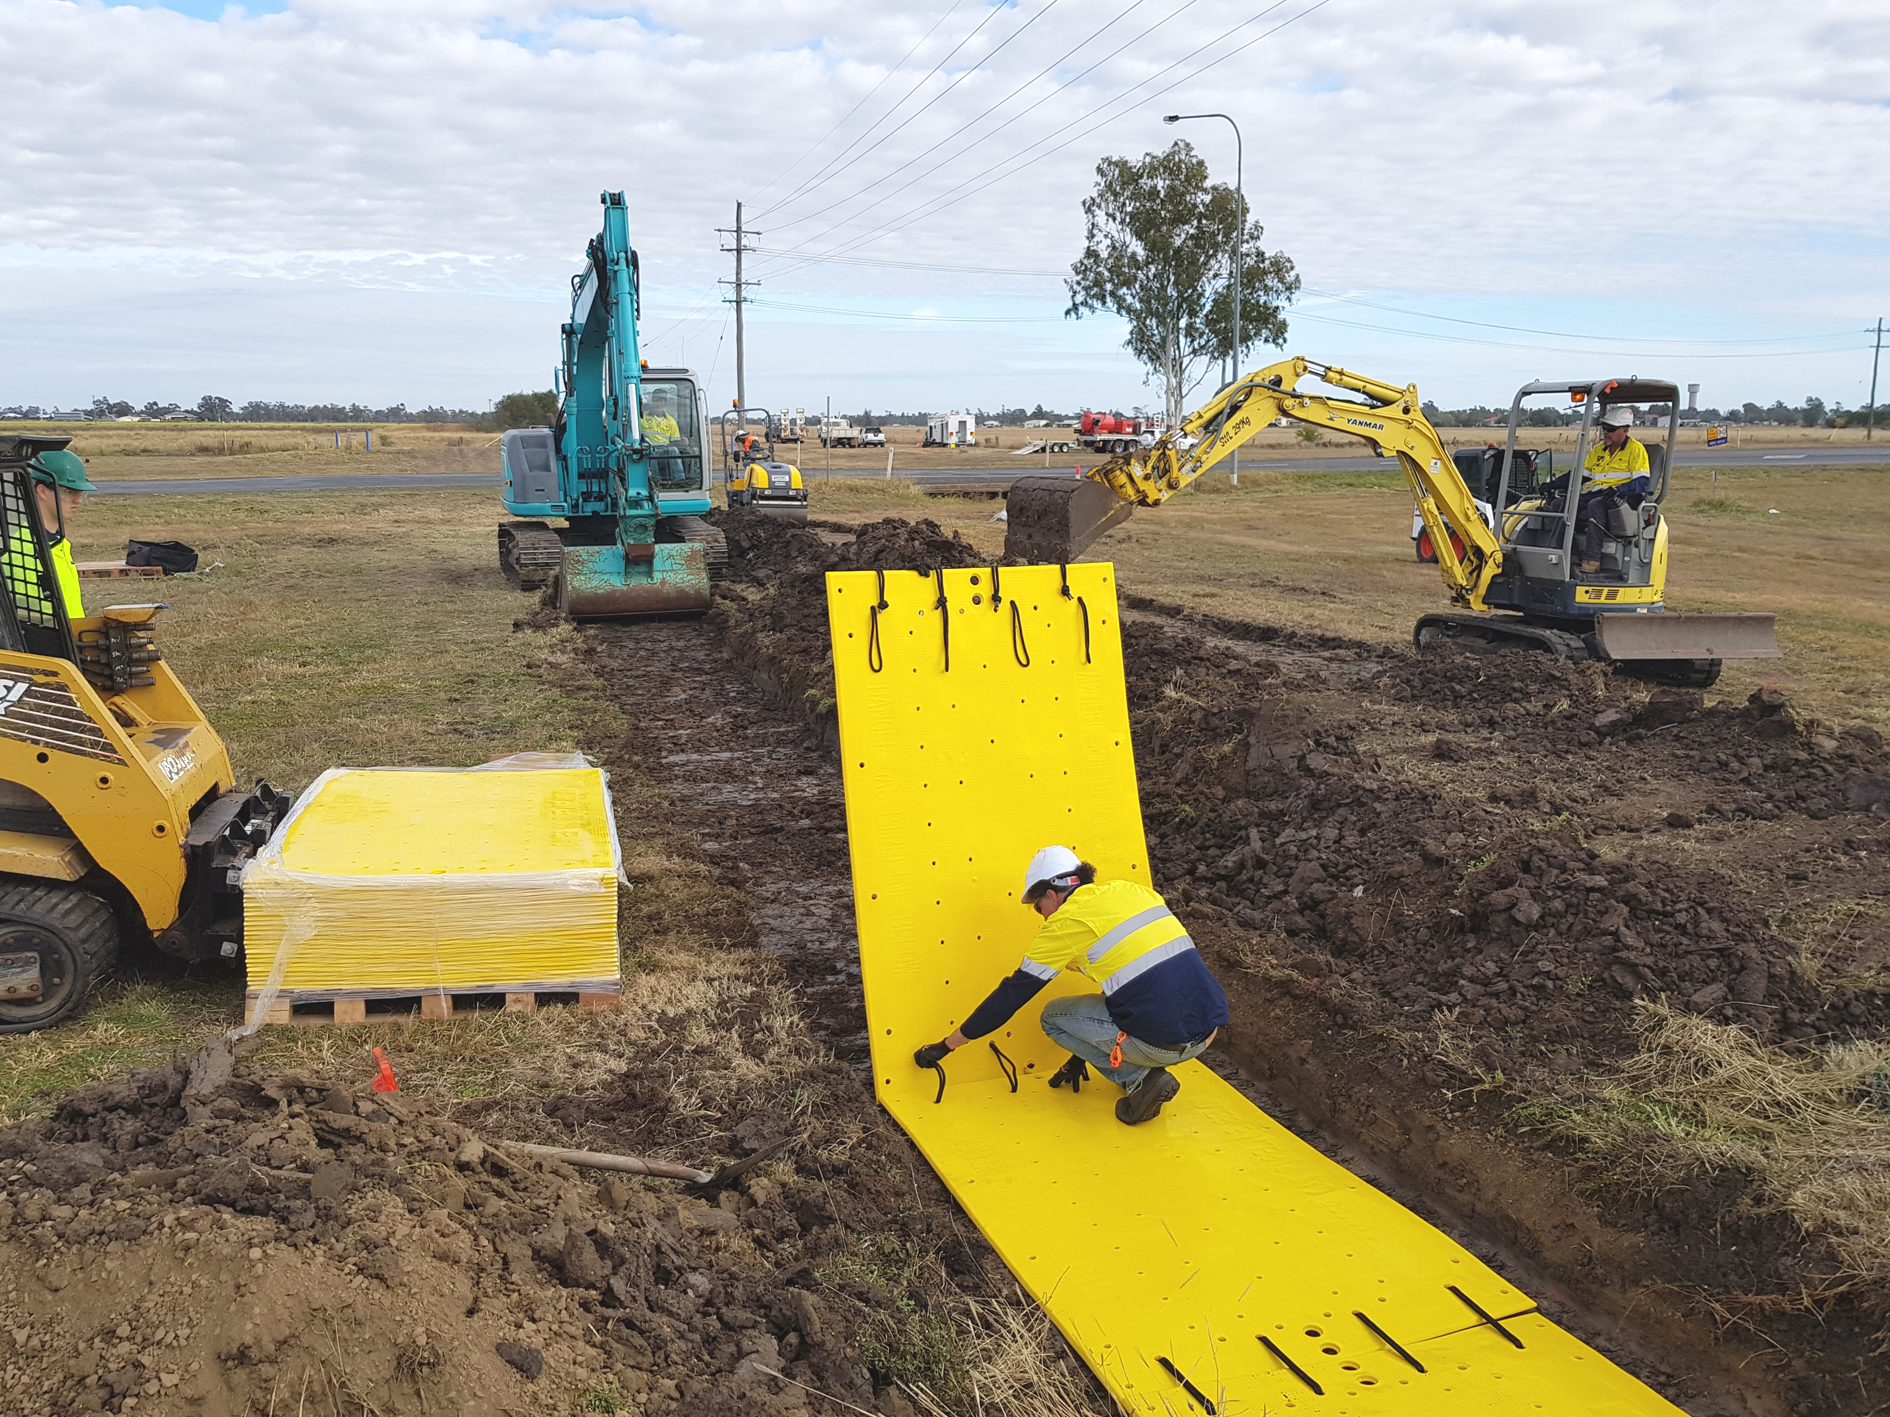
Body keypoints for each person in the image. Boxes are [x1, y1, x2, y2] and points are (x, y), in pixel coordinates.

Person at [913, 845, 1229, 1126]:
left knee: (1052, 1018)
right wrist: (1084, 1054)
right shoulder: (1133, 892)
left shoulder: (1065, 924)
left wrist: (947, 1045)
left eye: (1038, 908)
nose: (1042, 916)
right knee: (1121, 990)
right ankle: (1143, 1063)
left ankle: (1139, 1080)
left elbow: (1011, 995)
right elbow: (1146, 975)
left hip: (1164, 1047)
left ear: (1051, 893)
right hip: (1209, 1032)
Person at [1541, 406, 1650, 572]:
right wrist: (1553, 484)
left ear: (1625, 430)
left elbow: (1641, 483)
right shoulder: (1599, 450)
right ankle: (1571, 555)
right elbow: (1580, 476)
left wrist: (1618, 490)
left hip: (1621, 499)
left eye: (1611, 429)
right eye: (1604, 428)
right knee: (1559, 505)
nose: (1606, 432)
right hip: (1598, 493)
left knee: (1595, 505)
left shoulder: (1636, 450)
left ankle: (1592, 559)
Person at [12, 449, 95, 620]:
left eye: (80, 493)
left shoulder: (59, 543)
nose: (78, 500)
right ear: (42, 491)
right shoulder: (21, 550)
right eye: (68, 492)